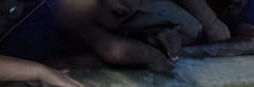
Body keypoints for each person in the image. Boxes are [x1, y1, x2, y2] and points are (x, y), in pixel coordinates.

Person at [55, 0, 231, 73]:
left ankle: (146, 37)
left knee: (191, 29)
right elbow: (115, 50)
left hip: (117, 18)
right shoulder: (77, 15)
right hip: (85, 26)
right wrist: (150, 56)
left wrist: (212, 24)